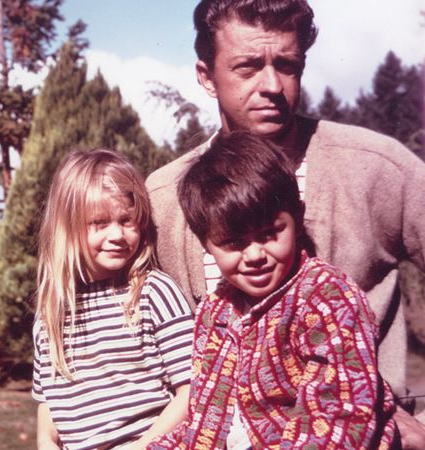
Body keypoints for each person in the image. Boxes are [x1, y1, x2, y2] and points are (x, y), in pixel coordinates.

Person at [145, 0, 425, 446]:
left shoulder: (375, 167)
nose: (273, 85)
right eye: (248, 67)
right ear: (206, 76)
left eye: (288, 65)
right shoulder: (165, 198)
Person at [149, 132, 398, 449]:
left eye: (268, 234)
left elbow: (338, 417)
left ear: (297, 216)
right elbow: (205, 423)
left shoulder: (327, 298)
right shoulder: (215, 312)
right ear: (207, 244)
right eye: (233, 243)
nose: (254, 256)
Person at [32, 149, 194, 450]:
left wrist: (141, 446)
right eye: (100, 222)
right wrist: (45, 440)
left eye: (126, 220)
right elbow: (48, 400)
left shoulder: (153, 292)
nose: (117, 234)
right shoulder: (51, 311)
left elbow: (191, 391)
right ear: (67, 227)